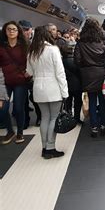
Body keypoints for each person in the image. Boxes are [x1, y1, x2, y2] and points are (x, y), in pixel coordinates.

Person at [26, 26, 68, 158]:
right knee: (54, 118)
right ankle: (50, 147)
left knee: (45, 117)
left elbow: (29, 72)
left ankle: (44, 147)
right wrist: (65, 92)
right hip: (53, 88)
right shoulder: (53, 50)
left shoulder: (31, 52)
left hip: (38, 88)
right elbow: (60, 73)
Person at [74, 18, 105, 137]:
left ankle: (94, 127)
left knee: (92, 100)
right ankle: (104, 125)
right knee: (103, 101)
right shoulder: (103, 41)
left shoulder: (80, 42)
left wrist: (85, 67)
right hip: (101, 73)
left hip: (87, 75)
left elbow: (77, 60)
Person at [0, 21, 30, 144]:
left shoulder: (24, 45)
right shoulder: (1, 46)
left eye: (14, 29)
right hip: (4, 82)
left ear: (18, 32)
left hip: (20, 81)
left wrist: (29, 72)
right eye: (9, 29)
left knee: (18, 108)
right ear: (5, 32)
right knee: (3, 108)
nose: (11, 31)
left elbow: (31, 61)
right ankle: (10, 131)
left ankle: (20, 132)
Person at [19, 20, 41, 128]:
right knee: (23, 99)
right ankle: (25, 121)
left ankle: (39, 117)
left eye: (27, 30)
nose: (25, 32)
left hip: (32, 74)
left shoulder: (35, 42)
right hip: (20, 74)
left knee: (35, 97)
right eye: (23, 30)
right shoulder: (16, 43)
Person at [61, 35, 82, 124]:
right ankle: (77, 118)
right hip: (77, 84)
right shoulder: (77, 61)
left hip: (66, 84)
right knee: (78, 102)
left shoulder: (61, 60)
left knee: (68, 102)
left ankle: (68, 117)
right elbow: (80, 72)